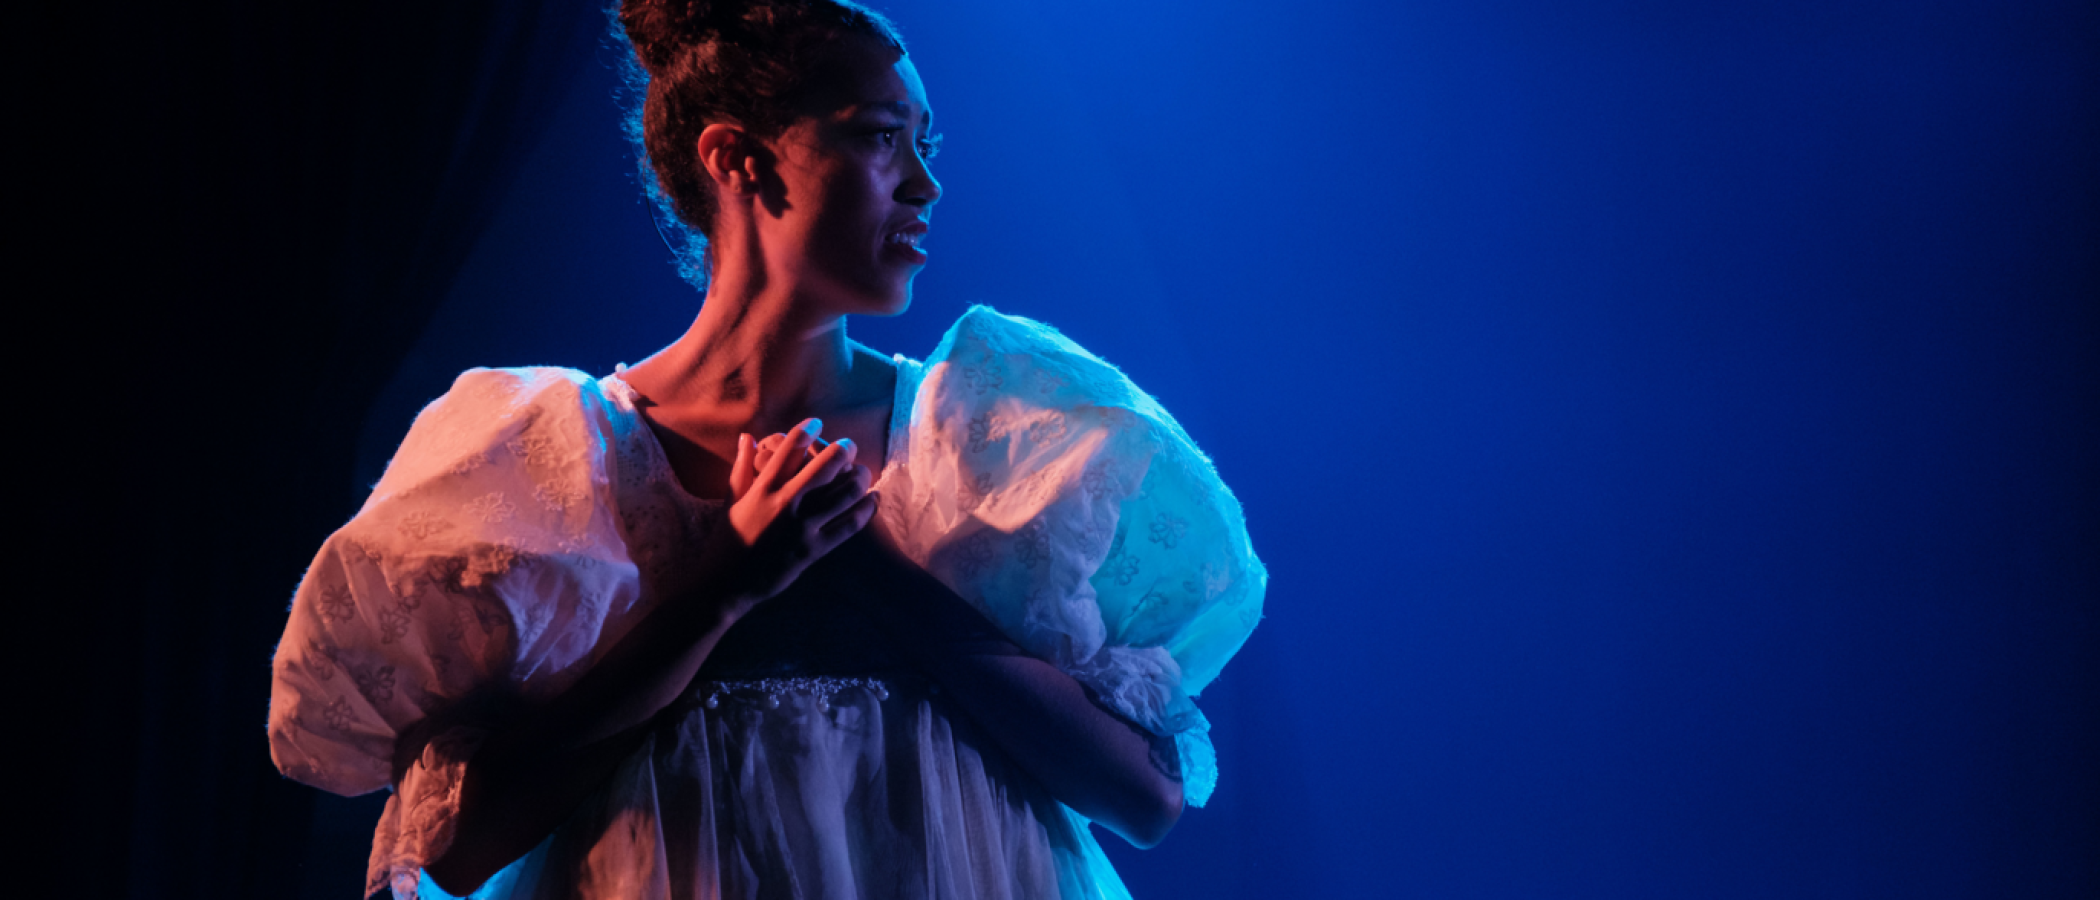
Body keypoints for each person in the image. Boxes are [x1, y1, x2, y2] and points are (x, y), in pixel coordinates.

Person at [266, 2, 1265, 897]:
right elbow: (454, 849)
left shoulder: (989, 443)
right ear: (738, 159)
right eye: (881, 141)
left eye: (926, 145)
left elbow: (1144, 799)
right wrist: (723, 587)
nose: (925, 185)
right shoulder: (548, 462)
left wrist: (863, 564)